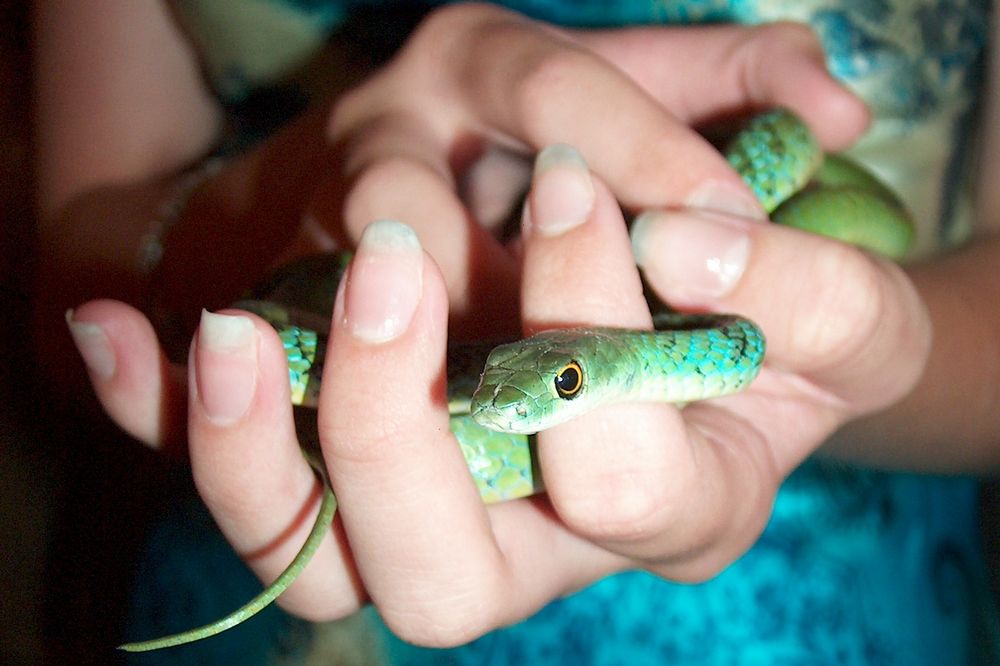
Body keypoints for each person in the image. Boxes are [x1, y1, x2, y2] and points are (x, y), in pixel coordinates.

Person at [35, 1, 999, 663]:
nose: (520, 408)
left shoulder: (700, 343)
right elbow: (66, 283)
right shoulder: (520, 378)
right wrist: (297, 182)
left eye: (563, 389)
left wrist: (863, 350)